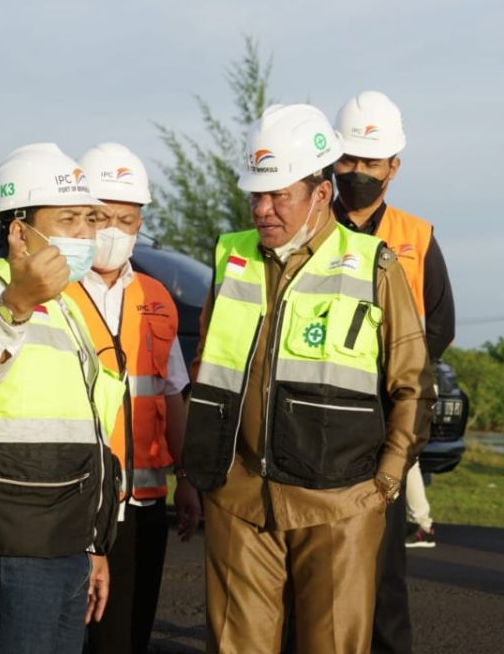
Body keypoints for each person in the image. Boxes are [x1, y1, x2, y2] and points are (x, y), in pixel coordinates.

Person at [181, 103, 434, 654]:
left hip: (340, 507)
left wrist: (385, 485)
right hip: (237, 499)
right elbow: (206, 369)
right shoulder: (231, 258)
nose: (264, 210)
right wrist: (196, 473)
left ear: (320, 193)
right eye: (256, 194)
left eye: (280, 195)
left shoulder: (375, 265)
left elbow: (412, 384)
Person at [0, 143, 126, 653]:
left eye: (90, 219)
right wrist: (17, 304)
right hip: (7, 548)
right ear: (19, 231)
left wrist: (93, 544)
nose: (86, 234)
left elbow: (84, 431)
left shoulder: (67, 307)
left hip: (64, 543)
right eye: (67, 219)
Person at [332, 91, 455, 653]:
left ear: (393, 167)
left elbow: (440, 326)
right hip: (317, 416)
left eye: (370, 162)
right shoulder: (306, 227)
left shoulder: (418, 236)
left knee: (382, 575)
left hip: (384, 420)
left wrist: (393, 377)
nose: (357, 172)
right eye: (348, 160)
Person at [70, 142, 201, 654]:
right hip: (74, 507)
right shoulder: (53, 290)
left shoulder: (156, 297)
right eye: (101, 217)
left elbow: (170, 395)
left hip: (144, 505)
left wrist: (186, 479)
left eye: (127, 220)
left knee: (129, 637)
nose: (114, 231)